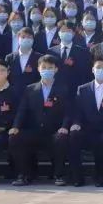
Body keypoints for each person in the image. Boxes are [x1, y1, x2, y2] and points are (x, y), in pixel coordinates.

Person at [9, 55, 70, 186]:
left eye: (50, 68)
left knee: (61, 138)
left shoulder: (63, 89)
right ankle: (23, 175)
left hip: (54, 131)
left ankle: (59, 175)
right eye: (44, 67)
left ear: (56, 69)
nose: (47, 70)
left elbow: (67, 112)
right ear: (38, 69)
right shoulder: (30, 89)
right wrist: (15, 126)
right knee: (14, 137)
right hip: (34, 130)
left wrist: (64, 126)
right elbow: (22, 110)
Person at [68, 55, 103, 187]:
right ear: (93, 70)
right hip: (88, 129)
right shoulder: (82, 89)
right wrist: (76, 123)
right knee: (74, 135)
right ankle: (77, 176)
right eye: (98, 67)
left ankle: (102, 175)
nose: (101, 70)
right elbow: (77, 111)